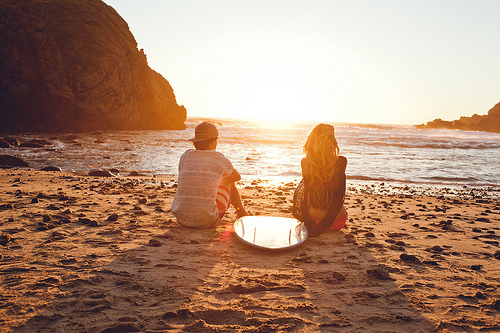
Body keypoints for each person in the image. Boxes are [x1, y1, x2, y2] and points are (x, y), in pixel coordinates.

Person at [171, 122, 250, 228]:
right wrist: (220, 177)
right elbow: (237, 177)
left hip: (181, 220)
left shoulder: (185, 156)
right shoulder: (219, 159)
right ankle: (241, 212)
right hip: (207, 222)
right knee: (229, 180)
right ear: (213, 142)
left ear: (196, 142)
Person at [292, 123, 347, 236]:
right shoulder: (341, 162)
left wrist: (314, 226)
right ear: (331, 141)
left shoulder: (306, 163)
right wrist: (323, 227)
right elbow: (338, 198)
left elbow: (306, 195)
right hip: (337, 222)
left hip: (312, 220)